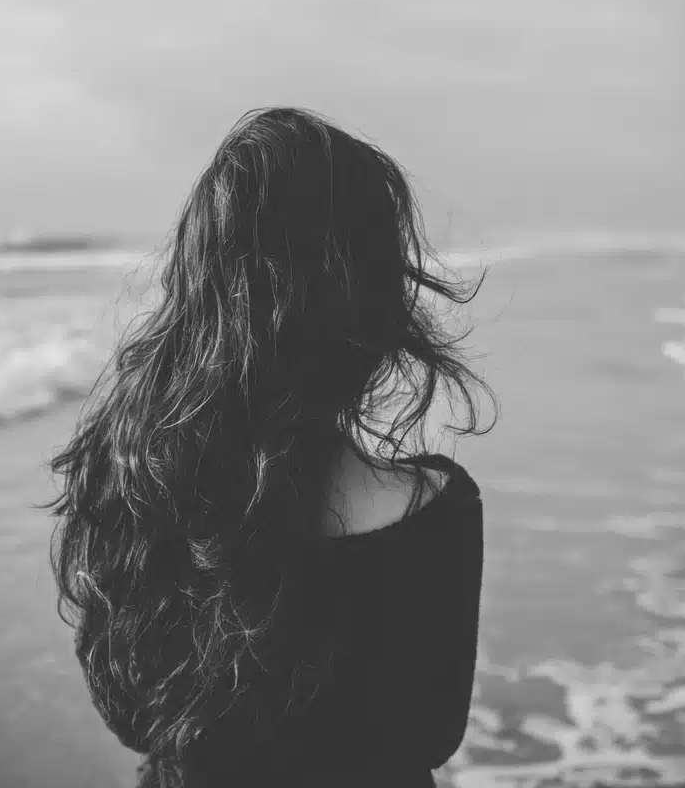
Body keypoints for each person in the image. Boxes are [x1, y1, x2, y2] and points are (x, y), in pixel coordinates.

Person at [49, 107, 494, 787]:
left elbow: (133, 717)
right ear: (369, 299)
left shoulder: (131, 478)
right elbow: (430, 733)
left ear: (198, 285)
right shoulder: (435, 508)